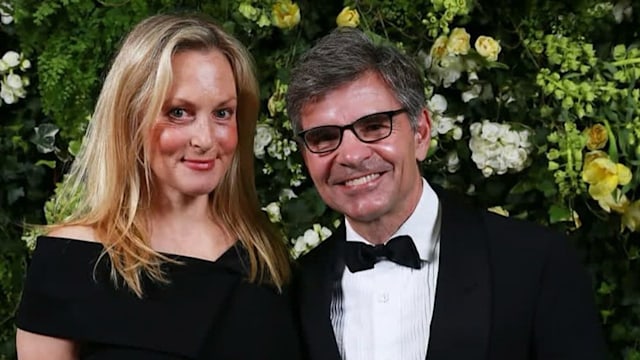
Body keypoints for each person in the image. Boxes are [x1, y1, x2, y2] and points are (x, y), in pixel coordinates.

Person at [287, 27, 606, 360]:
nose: (351, 155)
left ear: (421, 132)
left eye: (374, 126)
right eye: (324, 136)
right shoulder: (293, 289)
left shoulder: (535, 263)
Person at [16, 14, 302, 360]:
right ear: (130, 117)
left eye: (222, 113)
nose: (206, 139)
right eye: (179, 112)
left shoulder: (264, 257)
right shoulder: (69, 262)